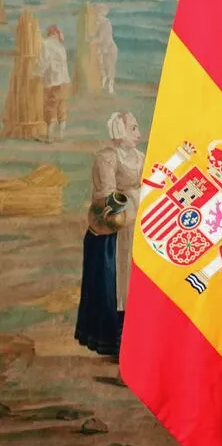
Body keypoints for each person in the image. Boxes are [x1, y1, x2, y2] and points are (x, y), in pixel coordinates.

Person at [74, 112, 145, 359]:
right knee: (112, 284)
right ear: (120, 131)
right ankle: (112, 340)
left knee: (135, 283)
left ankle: (135, 339)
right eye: (133, 128)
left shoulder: (140, 158)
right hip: (111, 232)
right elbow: (107, 197)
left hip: (135, 229)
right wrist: (138, 197)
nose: (138, 134)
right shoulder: (106, 158)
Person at [36, 25, 71, 143]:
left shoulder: (46, 44)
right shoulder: (60, 46)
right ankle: (61, 136)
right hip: (64, 81)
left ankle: (50, 137)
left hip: (52, 81)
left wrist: (38, 74)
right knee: (62, 107)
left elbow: (43, 61)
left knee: (50, 107)